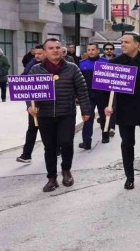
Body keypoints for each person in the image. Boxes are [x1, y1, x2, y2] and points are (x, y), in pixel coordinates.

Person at [28, 38, 92, 192]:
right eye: (51, 48)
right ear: (44, 51)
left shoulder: (72, 68)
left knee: (66, 143)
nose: (55, 50)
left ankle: (66, 170)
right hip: (45, 114)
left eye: (57, 47)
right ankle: (51, 178)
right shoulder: (36, 69)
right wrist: (30, 106)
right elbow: (27, 90)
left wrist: (85, 110)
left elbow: (82, 90)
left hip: (66, 113)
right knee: (49, 147)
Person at [105, 33, 140, 190]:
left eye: (127, 42)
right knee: (127, 143)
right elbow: (107, 88)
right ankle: (129, 176)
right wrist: (108, 106)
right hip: (125, 110)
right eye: (122, 42)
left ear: (137, 44)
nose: (123, 45)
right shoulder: (115, 63)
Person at [78, 43, 114, 149]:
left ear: (98, 51)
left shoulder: (106, 63)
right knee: (87, 117)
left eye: (93, 49)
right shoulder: (82, 64)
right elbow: (79, 82)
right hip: (88, 95)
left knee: (103, 117)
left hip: (102, 94)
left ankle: (105, 136)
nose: (91, 52)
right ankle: (86, 142)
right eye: (88, 50)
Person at [16, 46, 45, 163]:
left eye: (40, 53)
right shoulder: (31, 66)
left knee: (48, 130)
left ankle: (56, 149)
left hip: (50, 105)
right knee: (32, 129)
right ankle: (26, 154)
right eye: (35, 54)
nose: (37, 56)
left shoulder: (53, 66)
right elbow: (26, 85)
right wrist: (29, 105)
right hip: (35, 103)